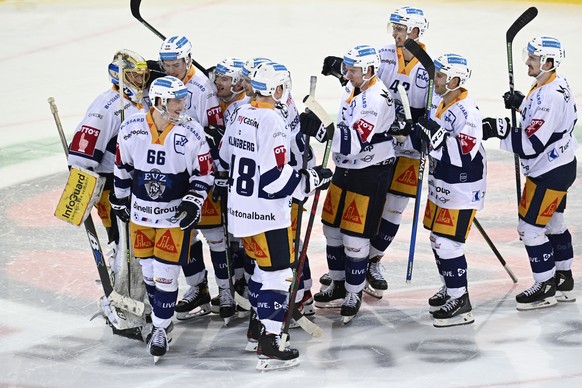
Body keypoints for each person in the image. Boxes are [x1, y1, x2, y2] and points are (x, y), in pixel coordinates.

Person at [217, 61, 332, 370]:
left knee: (261, 272)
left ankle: (257, 327)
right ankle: (271, 340)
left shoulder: (240, 113)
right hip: (267, 214)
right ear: (278, 89)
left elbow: (225, 159)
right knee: (279, 274)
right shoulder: (273, 122)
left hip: (241, 212)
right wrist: (310, 181)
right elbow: (274, 178)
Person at [111, 75, 214, 360]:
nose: (183, 105)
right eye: (176, 100)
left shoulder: (192, 131)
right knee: (149, 276)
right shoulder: (131, 128)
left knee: (166, 277)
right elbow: (122, 167)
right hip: (141, 216)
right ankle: (163, 320)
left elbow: (204, 174)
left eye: (183, 98)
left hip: (173, 218)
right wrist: (119, 199)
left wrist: (193, 202)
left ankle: (159, 328)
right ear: (158, 102)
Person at [483, 36, 577, 310]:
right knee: (554, 224)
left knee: (530, 230)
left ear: (548, 62)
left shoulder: (548, 95)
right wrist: (522, 104)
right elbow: (549, 121)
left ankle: (545, 286)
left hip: (549, 171)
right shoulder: (552, 82)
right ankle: (564, 278)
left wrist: (498, 129)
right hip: (561, 164)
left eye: (533, 58)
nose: (527, 61)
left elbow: (530, 144)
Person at [67, 49, 149, 338]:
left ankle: (135, 300)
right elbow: (81, 153)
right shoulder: (108, 105)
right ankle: (119, 306)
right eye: (133, 75)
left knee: (136, 248)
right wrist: (81, 193)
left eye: (141, 74)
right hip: (114, 188)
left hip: (138, 186)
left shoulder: (140, 101)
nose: (140, 79)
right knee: (123, 246)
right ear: (118, 76)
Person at [312, 45, 396, 324]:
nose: (347, 74)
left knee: (355, 237)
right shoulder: (358, 86)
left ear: (369, 70)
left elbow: (353, 143)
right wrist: (342, 73)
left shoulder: (376, 99)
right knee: (331, 228)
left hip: (368, 171)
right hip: (346, 169)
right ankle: (337, 282)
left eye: (352, 70)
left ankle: (354, 292)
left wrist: (321, 128)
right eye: (347, 69)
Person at [156, 35, 233, 323]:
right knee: (185, 234)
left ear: (188, 59)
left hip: (202, 171)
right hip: (175, 171)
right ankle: (197, 287)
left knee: (215, 236)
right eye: (166, 65)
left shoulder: (201, 88)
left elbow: (217, 130)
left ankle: (225, 291)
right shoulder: (164, 84)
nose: (170, 70)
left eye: (176, 64)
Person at [412, 53, 484, 327]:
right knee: (436, 240)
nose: (435, 79)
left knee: (448, 243)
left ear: (455, 80)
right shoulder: (441, 102)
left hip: (462, 186)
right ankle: (450, 287)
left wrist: (437, 140)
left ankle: (461, 300)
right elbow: (433, 140)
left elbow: (464, 154)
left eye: (440, 76)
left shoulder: (467, 113)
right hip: (442, 183)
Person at [364, 5, 430, 298]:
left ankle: (372, 261)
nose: (395, 33)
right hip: (380, 144)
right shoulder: (383, 54)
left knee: (393, 207)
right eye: (394, 28)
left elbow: (430, 114)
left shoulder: (430, 67)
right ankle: (352, 263)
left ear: (415, 32)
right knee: (370, 201)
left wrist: (416, 127)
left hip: (409, 150)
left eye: (400, 29)